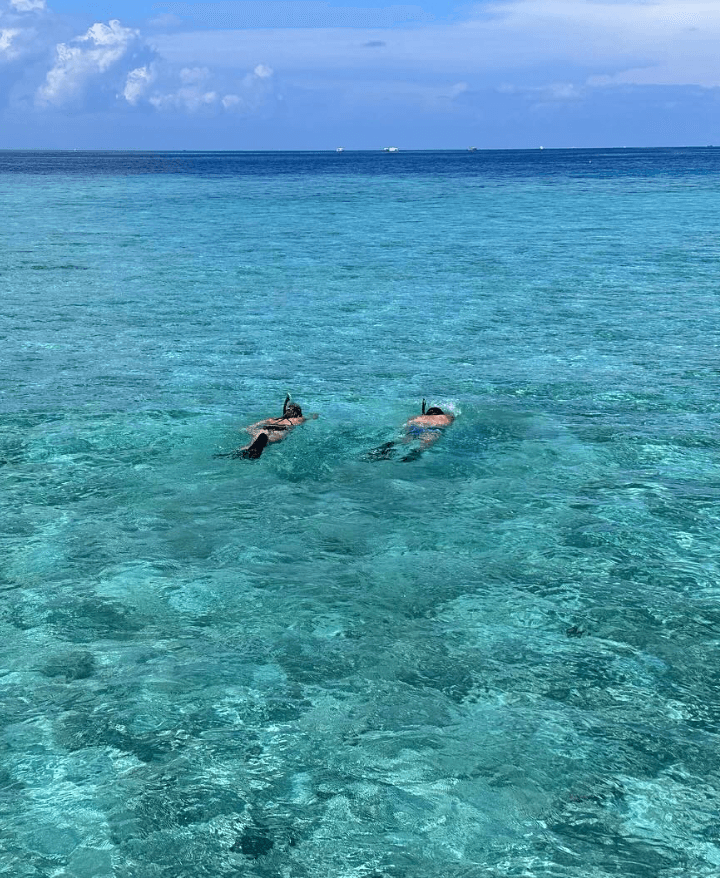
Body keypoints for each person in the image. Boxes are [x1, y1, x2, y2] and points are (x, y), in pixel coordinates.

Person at [216, 395, 317, 460]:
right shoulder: (297, 420)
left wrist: (247, 430)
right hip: (278, 432)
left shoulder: (272, 419)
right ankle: (257, 452)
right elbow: (310, 417)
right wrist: (315, 416)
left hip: (262, 429)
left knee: (250, 445)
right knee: (264, 444)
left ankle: (232, 453)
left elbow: (250, 427)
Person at [364, 399, 455, 461]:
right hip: (433, 429)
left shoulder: (418, 417)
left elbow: (405, 424)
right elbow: (452, 415)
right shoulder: (445, 417)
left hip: (415, 427)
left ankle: (383, 449)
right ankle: (412, 455)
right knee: (424, 444)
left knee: (402, 440)